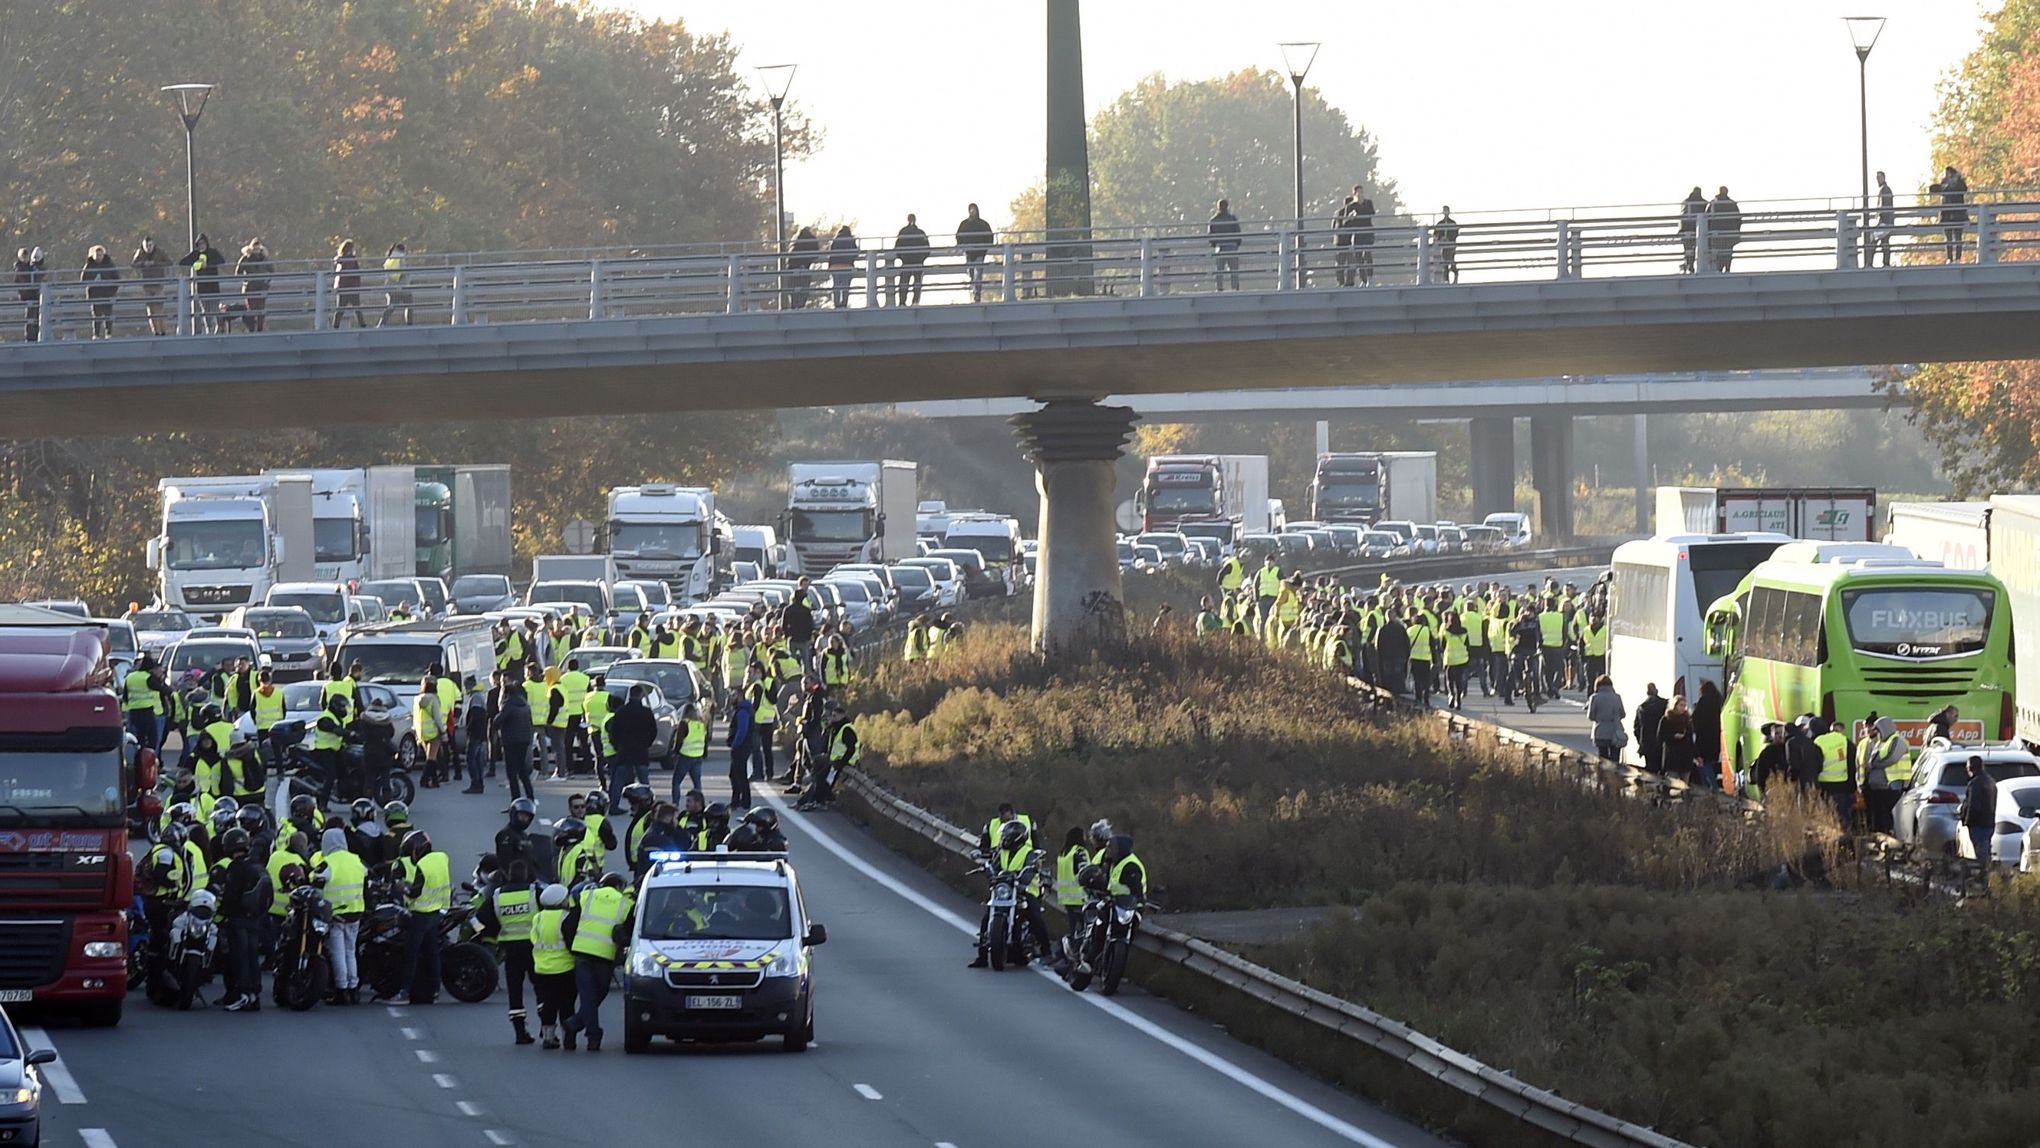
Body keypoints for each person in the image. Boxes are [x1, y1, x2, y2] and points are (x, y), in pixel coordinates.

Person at [563, 872, 634, 1052]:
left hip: (582, 953)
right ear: (620, 886)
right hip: (604, 956)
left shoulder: (586, 896)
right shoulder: (626, 904)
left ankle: (575, 1024)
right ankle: (592, 1036)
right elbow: (628, 934)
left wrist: (573, 946)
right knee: (597, 995)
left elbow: (568, 925)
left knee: (588, 996)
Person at [475, 857, 538, 1044]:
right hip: (534, 949)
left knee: (515, 992)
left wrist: (486, 936)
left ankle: (520, 1033)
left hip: (510, 950)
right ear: (526, 875)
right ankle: (547, 1030)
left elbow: (478, 921)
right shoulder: (534, 893)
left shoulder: (498, 896)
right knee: (542, 989)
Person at [393, 829, 450, 1005]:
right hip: (437, 911)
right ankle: (434, 991)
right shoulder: (441, 858)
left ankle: (404, 993)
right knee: (432, 954)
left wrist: (404, 888)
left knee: (411, 954)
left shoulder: (423, 866)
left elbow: (416, 892)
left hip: (420, 915)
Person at [217, 827, 268, 1011]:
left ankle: (243, 994)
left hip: (237, 919)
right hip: (255, 918)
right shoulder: (256, 864)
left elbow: (230, 896)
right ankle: (254, 994)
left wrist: (222, 910)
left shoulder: (235, 867)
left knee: (240, 957)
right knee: (252, 956)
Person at [316, 826, 366, 1005]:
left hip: (337, 915)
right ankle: (354, 990)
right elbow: (367, 873)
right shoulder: (356, 859)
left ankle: (341, 990)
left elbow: (315, 878)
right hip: (356, 912)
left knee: (337, 953)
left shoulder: (328, 862)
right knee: (350, 952)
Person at [529, 883, 578, 1049]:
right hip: (565, 967)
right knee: (567, 1004)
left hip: (542, 968)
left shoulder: (538, 917)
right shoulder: (566, 917)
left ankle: (548, 1038)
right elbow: (572, 942)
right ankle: (568, 1037)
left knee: (548, 1004)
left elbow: (534, 940)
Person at [1858, 715, 1910, 834]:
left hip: (1892, 783)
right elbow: (1872, 758)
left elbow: (1891, 758)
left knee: (1888, 813)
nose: (1877, 733)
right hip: (1879, 785)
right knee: (1879, 814)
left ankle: (1889, 832)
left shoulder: (1898, 740)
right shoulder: (1882, 742)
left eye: (1878, 730)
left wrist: (1874, 764)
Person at [607, 684, 658, 805]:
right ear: (640, 695)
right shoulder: (645, 712)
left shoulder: (621, 712)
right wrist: (647, 743)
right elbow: (653, 731)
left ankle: (614, 805)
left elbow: (613, 732)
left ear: (630, 695)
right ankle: (648, 805)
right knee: (644, 781)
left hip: (624, 750)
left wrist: (617, 745)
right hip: (641, 750)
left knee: (618, 781)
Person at [178, 234, 224, 333]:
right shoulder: (195, 254)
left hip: (213, 286)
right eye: (199, 244)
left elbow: (222, 261)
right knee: (205, 310)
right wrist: (196, 263)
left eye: (203, 243)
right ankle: (209, 329)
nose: (202, 246)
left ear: (207, 243)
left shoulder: (213, 252)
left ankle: (219, 326)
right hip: (202, 287)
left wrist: (209, 264)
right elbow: (182, 262)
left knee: (215, 308)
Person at [1812, 717, 1854, 825]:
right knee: (1843, 817)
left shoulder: (1817, 741)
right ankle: (1847, 839)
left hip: (1824, 786)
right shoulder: (1843, 740)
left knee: (1827, 819)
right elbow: (1852, 763)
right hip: (1843, 786)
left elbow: (1815, 765)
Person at [1958, 755, 1997, 866]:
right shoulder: (1990, 781)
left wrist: (1967, 821)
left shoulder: (1975, 783)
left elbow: (1973, 805)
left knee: (1981, 854)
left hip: (1978, 824)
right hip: (1989, 822)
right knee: (1985, 850)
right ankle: (1987, 874)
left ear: (1970, 768)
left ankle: (1985, 877)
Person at [131, 236, 174, 334]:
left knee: (159, 308)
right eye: (146, 246)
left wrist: (156, 263)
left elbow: (169, 262)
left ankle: (163, 331)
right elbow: (133, 264)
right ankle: (155, 331)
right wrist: (143, 264)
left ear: (153, 245)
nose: (148, 248)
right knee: (150, 310)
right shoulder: (140, 253)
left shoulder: (159, 252)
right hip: (146, 284)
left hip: (158, 283)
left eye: (150, 245)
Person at [726, 677, 756, 809]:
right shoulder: (743, 709)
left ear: (738, 696)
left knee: (739, 774)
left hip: (741, 747)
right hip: (743, 745)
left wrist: (735, 744)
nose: (731, 698)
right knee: (734, 774)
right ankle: (737, 800)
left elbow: (742, 730)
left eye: (733, 695)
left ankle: (743, 801)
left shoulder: (743, 710)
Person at [957, 203, 995, 302]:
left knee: (978, 274)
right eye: (971, 209)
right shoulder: (964, 224)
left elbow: (990, 237)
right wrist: (962, 246)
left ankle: (977, 293)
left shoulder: (983, 224)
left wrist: (985, 248)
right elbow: (958, 236)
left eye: (974, 209)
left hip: (980, 253)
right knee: (971, 273)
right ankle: (973, 291)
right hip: (969, 253)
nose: (972, 211)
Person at [1930, 165, 1968, 263]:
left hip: (1955, 213)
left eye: (1947, 173)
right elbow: (1935, 189)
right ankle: (1951, 258)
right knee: (1950, 238)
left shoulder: (1958, 182)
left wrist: (1954, 182)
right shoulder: (1946, 183)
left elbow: (1962, 189)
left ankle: (1956, 258)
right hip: (1948, 213)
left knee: (1956, 237)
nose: (1945, 175)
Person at [234, 237, 272, 332]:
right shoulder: (246, 258)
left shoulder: (264, 259)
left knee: (261, 310)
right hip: (250, 288)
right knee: (250, 310)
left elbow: (272, 270)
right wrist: (245, 281)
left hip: (262, 288)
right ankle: (251, 329)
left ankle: (260, 329)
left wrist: (267, 281)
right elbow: (238, 271)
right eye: (254, 248)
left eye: (258, 248)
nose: (256, 250)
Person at [81, 244, 120, 338]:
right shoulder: (89, 265)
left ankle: (109, 334)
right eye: (97, 255)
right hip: (95, 293)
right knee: (96, 315)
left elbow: (116, 279)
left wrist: (111, 289)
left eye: (100, 255)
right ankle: (96, 335)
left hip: (107, 293)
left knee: (108, 314)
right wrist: (93, 282)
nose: (98, 257)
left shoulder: (109, 264)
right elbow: (83, 279)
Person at [1659, 695, 1698, 783]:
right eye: (1681, 705)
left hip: (1686, 758)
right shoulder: (1666, 719)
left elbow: (1690, 739)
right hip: (1672, 757)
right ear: (1675, 705)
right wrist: (1673, 736)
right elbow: (1660, 736)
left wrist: (1697, 755)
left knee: (1685, 785)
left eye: (1684, 705)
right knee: (1672, 783)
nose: (1683, 708)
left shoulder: (1687, 719)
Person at [892, 214, 930, 306]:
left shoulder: (903, 232)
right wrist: (921, 258)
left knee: (904, 283)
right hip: (917, 262)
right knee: (917, 283)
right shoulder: (921, 233)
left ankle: (902, 302)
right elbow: (927, 248)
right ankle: (915, 302)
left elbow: (897, 247)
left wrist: (902, 257)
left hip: (906, 262)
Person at [1692, 680, 1724, 788]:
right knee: (1711, 762)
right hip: (1716, 737)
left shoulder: (1703, 701)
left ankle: (1709, 786)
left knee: (1702, 762)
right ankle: (1711, 784)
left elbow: (1695, 719)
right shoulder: (1719, 701)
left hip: (1703, 738)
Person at [1587, 675, 1626, 761]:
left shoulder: (1594, 697)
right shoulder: (1617, 697)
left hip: (1600, 730)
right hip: (1615, 730)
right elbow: (1623, 714)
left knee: (1603, 758)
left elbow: (1591, 716)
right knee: (1615, 759)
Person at [1632, 684, 1667, 774]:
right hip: (1662, 743)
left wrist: (1640, 741)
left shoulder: (1642, 707)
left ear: (1647, 693)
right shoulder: (1665, 704)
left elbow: (1636, 728)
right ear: (1657, 691)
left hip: (1648, 744)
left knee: (1651, 771)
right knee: (1663, 770)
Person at [1208, 198, 1242, 291]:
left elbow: (1211, 236)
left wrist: (1214, 244)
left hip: (1220, 247)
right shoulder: (1232, 218)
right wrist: (1237, 243)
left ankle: (1219, 288)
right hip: (1231, 246)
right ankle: (1235, 287)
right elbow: (1238, 233)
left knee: (1219, 270)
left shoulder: (1214, 220)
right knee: (1233, 269)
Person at [13, 246, 45, 341]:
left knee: (34, 317)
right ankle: (31, 337)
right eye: (24, 257)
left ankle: (34, 336)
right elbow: (22, 282)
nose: (26, 259)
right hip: (29, 296)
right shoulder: (21, 269)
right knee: (31, 318)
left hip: (32, 295)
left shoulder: (27, 267)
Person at [1706, 186, 1741, 272]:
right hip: (1729, 232)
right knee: (1728, 252)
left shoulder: (1712, 204)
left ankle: (1719, 268)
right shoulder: (1732, 204)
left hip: (1716, 233)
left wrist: (1708, 233)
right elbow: (1738, 219)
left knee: (1718, 252)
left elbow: (1706, 218)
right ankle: (1727, 268)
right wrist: (1736, 231)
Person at [784, 225, 820, 309]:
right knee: (804, 289)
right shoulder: (812, 239)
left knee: (793, 289)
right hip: (804, 267)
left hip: (792, 267)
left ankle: (793, 306)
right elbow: (816, 253)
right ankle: (801, 306)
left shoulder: (795, 238)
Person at [379, 242, 412, 326]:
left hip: (391, 286)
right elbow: (402, 271)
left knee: (391, 307)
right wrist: (408, 269)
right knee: (409, 305)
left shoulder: (390, 258)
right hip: (402, 287)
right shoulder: (400, 258)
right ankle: (409, 324)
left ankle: (382, 323)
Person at [827, 225, 858, 309]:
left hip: (835, 266)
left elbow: (831, 253)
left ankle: (836, 304)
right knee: (845, 287)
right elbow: (855, 253)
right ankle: (844, 304)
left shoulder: (835, 239)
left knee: (836, 286)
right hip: (847, 266)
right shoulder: (851, 240)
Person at [1677, 187, 1706, 274]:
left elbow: (1682, 216)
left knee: (1688, 249)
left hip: (1686, 228)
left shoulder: (1686, 202)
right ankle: (1694, 264)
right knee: (1700, 247)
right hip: (1699, 229)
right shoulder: (1703, 203)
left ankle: (1689, 264)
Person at [1871, 171, 1895, 268]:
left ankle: (1870, 263)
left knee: (1873, 240)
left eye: (1879, 177)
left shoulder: (1885, 190)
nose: (1878, 179)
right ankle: (1886, 263)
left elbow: (1883, 206)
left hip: (1884, 221)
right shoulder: (1885, 189)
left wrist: (1879, 218)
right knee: (1884, 242)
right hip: (1887, 220)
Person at [1432, 206, 1459, 284]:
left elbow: (1455, 234)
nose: (1446, 212)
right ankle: (1446, 280)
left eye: (1447, 211)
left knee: (1451, 260)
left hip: (1451, 245)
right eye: (1444, 211)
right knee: (1445, 263)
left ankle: (1455, 275)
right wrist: (1440, 238)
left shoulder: (1453, 223)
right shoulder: (1440, 223)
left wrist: (1449, 239)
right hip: (1443, 245)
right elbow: (1435, 234)